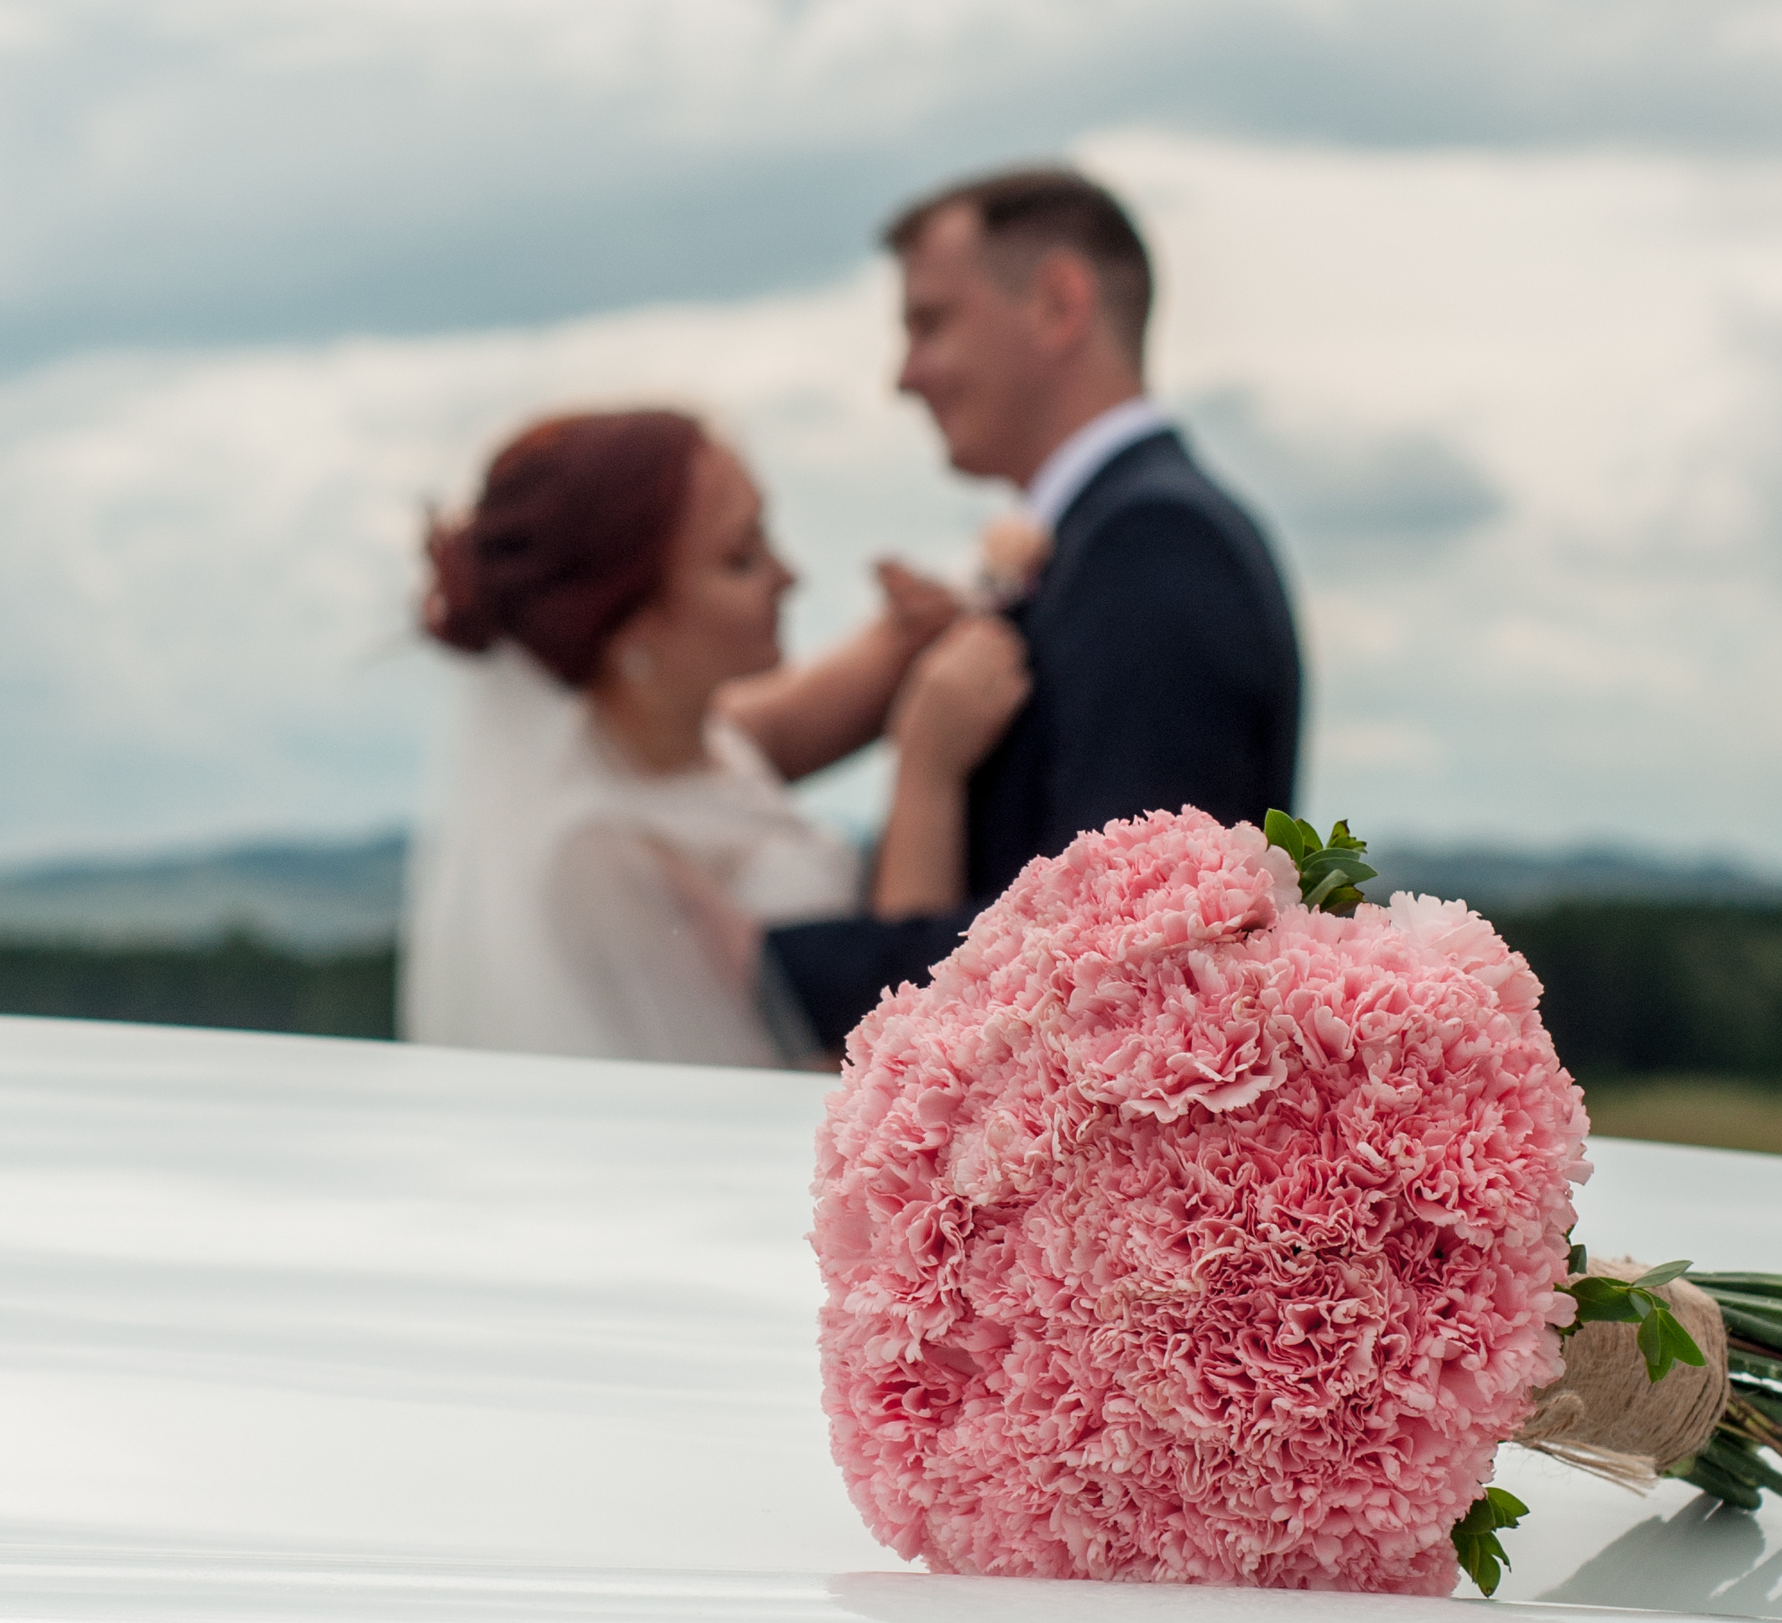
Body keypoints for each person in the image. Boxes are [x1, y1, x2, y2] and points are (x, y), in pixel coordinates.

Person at [765, 164, 1303, 1052]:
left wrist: (749, 963)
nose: (905, 376)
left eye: (931, 323)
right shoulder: (1109, 538)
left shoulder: (1157, 546)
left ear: (1059, 304)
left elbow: (1120, 956)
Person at [400, 408, 976, 1065]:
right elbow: (882, 1071)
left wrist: (980, 588)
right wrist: (928, 778)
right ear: (635, 628)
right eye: (741, 558)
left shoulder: (708, 740)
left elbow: (868, 672)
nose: (789, 578)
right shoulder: (599, 856)